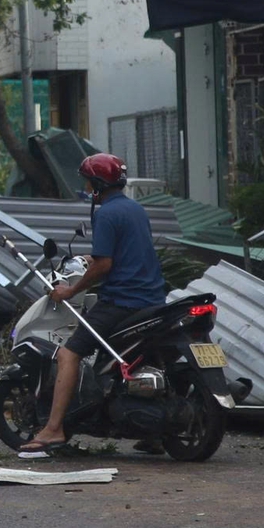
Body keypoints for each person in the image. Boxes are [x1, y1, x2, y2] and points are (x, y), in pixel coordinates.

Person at [22, 153, 167, 453]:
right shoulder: (135, 209)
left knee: (69, 353)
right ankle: (154, 433)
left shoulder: (105, 214)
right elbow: (127, 252)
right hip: (153, 299)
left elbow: (104, 266)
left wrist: (70, 290)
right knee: (145, 356)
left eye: (88, 183)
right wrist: (92, 257)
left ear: (98, 185)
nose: (86, 189)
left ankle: (53, 429)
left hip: (122, 301)